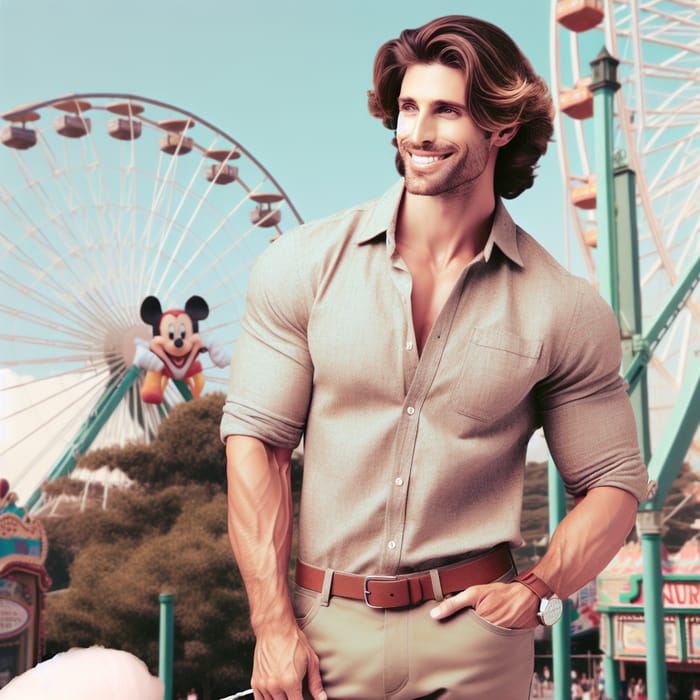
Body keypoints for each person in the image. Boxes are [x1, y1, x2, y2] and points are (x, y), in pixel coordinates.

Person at [221, 14, 648, 700]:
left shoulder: (563, 308)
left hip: (474, 641)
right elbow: (257, 448)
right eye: (408, 107)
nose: (417, 132)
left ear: (501, 126)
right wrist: (272, 625)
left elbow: (614, 484)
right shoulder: (299, 267)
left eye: (446, 111)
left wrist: (537, 589)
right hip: (323, 637)